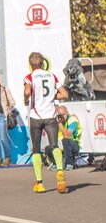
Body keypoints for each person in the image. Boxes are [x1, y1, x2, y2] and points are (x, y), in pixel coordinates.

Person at [24, 52, 70, 193]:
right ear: (43, 63)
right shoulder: (52, 76)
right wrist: (53, 96)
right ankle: (60, 172)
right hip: (51, 115)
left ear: (31, 65)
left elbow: (27, 92)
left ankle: (40, 183)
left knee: (36, 150)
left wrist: (26, 99)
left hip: (36, 116)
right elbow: (65, 94)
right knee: (54, 145)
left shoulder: (30, 77)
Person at [56, 106, 82, 170]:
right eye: (60, 115)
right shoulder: (56, 120)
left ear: (67, 113)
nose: (62, 117)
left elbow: (67, 135)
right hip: (61, 145)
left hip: (74, 145)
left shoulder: (72, 120)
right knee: (48, 148)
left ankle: (69, 164)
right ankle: (55, 163)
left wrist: (60, 123)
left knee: (65, 140)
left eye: (63, 114)